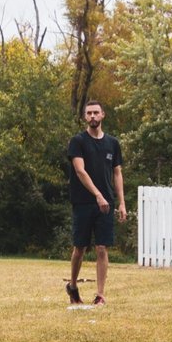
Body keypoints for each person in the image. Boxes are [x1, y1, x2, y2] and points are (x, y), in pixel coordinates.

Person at [67, 101, 126, 306]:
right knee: (80, 247)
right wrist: (97, 195)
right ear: (85, 117)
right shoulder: (78, 141)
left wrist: (122, 203)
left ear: (103, 115)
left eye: (96, 113)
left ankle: (100, 294)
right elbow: (80, 171)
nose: (93, 116)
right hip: (83, 202)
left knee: (102, 247)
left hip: (107, 203)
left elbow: (117, 173)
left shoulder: (113, 143)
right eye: (89, 113)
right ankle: (73, 286)